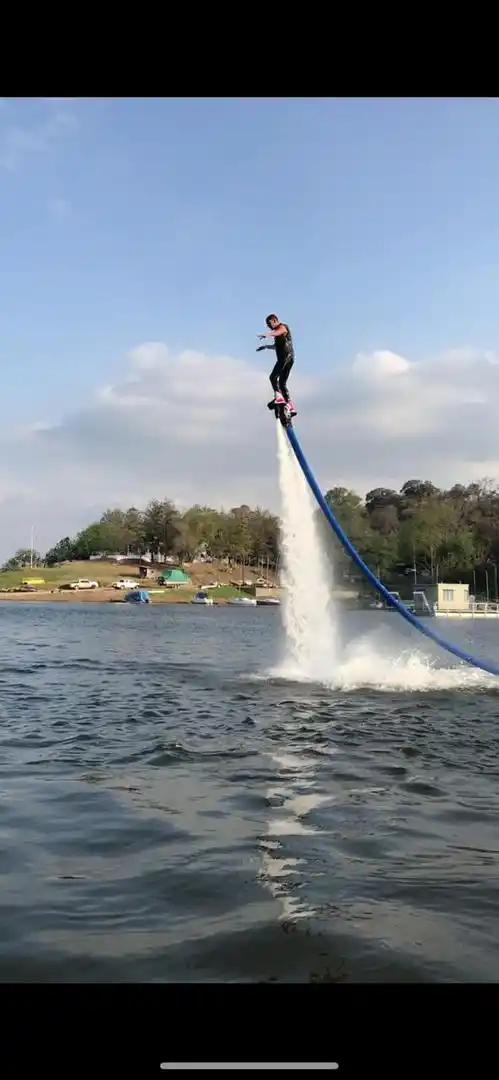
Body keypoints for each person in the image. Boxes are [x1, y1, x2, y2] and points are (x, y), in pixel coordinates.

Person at [256, 314, 296, 415]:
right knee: (282, 383)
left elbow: (279, 332)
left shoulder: (282, 327)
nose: (269, 326)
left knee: (273, 377)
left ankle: (279, 398)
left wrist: (268, 334)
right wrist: (265, 347)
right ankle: (290, 406)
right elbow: (276, 346)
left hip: (285, 357)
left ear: (274, 320)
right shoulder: (279, 336)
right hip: (289, 358)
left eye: (269, 324)